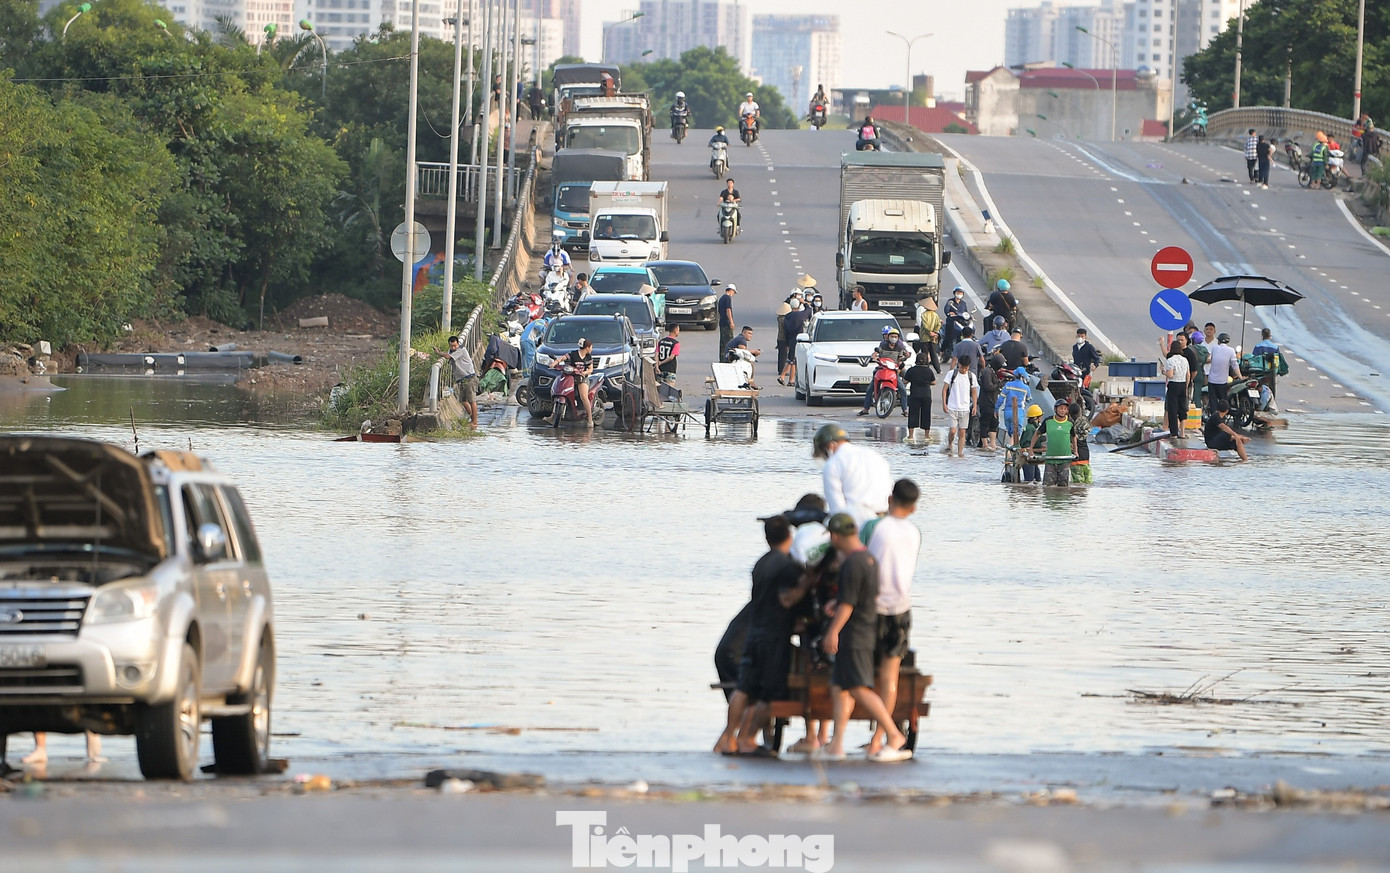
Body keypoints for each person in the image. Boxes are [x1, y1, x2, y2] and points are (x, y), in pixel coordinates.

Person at [813, 513, 911, 763]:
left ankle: (893, 734)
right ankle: (836, 744)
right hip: (863, 628)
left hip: (856, 633)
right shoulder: (869, 559)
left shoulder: (853, 563)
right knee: (839, 687)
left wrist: (832, 631)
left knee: (857, 687)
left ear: (835, 536)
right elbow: (863, 595)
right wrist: (839, 603)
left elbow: (848, 604)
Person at [715, 515, 806, 757]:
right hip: (773, 637)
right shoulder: (789, 566)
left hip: (753, 634)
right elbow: (787, 599)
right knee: (769, 693)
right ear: (790, 536)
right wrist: (807, 583)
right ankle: (746, 739)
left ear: (767, 538)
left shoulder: (760, 564)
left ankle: (727, 739)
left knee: (744, 688)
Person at [862, 479, 920, 758]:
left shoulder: (877, 528)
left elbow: (863, 563)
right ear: (914, 507)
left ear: (889, 499)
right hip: (901, 608)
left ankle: (882, 736)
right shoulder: (914, 532)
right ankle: (879, 739)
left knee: (859, 674)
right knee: (890, 677)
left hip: (873, 609)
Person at [812, 423, 892, 527]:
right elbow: (890, 491)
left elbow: (837, 511)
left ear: (830, 446)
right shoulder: (875, 455)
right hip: (883, 521)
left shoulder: (833, 464)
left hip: (856, 522)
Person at [858, 327, 910, 416]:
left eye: (895, 336)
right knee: (870, 389)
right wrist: (874, 357)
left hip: (893, 370)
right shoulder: (883, 345)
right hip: (881, 368)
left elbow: (900, 359)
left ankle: (905, 409)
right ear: (888, 337)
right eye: (892, 336)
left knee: (902, 389)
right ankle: (865, 409)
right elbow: (875, 354)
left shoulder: (900, 346)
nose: (893, 338)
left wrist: (900, 365)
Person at [1028, 401, 1076, 487]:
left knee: (1063, 488)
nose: (1063, 411)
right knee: (1048, 487)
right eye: (1061, 408)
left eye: (1065, 409)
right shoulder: (1048, 421)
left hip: (1064, 459)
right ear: (1055, 409)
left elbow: (1073, 437)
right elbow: (1037, 434)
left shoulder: (1070, 422)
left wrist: (1076, 450)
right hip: (1050, 459)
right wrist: (1030, 449)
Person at [941, 354, 978, 457]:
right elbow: (944, 389)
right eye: (962, 367)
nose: (964, 370)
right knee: (953, 431)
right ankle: (950, 444)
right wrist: (944, 403)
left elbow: (974, 392)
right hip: (952, 407)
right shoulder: (951, 374)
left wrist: (975, 406)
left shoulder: (971, 376)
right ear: (958, 365)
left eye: (966, 368)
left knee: (962, 432)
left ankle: (960, 453)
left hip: (965, 408)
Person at [553, 337, 595, 426]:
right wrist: (555, 363)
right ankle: (552, 415)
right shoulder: (573, 354)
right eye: (591, 347)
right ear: (587, 347)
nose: (591, 349)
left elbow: (591, 369)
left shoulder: (588, 357)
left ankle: (590, 419)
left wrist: (584, 372)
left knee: (584, 396)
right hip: (571, 376)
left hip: (582, 378)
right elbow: (563, 358)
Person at [439, 335, 479, 427]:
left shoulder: (461, 350)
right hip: (462, 379)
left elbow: (448, 357)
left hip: (469, 378)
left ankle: (475, 422)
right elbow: (448, 355)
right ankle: (472, 419)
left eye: (455, 346)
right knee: (463, 401)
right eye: (451, 346)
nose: (453, 348)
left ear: (458, 344)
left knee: (472, 400)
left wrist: (438, 353)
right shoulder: (451, 351)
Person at [1162, 336, 1191, 439]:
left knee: (1173, 409)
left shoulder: (1170, 360)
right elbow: (1188, 375)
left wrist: (1163, 372)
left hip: (1173, 385)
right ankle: (1182, 432)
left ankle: (1174, 433)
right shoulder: (1185, 360)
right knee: (1183, 409)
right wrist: (1186, 387)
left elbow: (1170, 375)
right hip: (1183, 384)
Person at [903, 352, 936, 441]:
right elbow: (934, 382)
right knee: (926, 414)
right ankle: (926, 436)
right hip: (926, 395)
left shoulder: (912, 370)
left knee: (913, 414)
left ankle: (910, 436)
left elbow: (905, 381)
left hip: (915, 394)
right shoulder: (928, 370)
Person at [1207, 331, 1240, 414]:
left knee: (1213, 401)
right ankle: (1222, 417)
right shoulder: (1231, 350)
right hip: (1222, 380)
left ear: (1219, 341)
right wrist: (1240, 376)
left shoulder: (1214, 348)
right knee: (1223, 400)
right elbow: (1234, 365)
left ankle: (1214, 417)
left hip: (1212, 379)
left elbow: (1212, 359)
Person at [780, 297, 810, 386]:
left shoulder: (787, 317)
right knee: (792, 360)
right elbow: (808, 310)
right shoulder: (799, 315)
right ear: (798, 306)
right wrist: (804, 302)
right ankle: (782, 376)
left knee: (793, 359)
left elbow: (785, 331)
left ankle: (791, 380)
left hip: (791, 339)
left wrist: (787, 343)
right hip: (799, 339)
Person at [976, 354, 1002, 450]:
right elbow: (988, 387)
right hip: (986, 402)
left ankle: (993, 444)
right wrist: (998, 384)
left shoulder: (992, 371)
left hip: (993, 402)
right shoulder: (987, 372)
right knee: (985, 423)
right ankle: (985, 445)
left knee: (994, 422)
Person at [1000, 366, 1031, 444]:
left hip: (1007, 412)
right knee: (1015, 434)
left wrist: (996, 409)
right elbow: (1029, 399)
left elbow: (1001, 399)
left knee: (1010, 433)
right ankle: (1010, 453)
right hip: (1019, 412)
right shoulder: (1026, 388)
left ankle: (1009, 451)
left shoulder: (1008, 385)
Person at [1018, 404, 1044, 483]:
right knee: (1029, 481)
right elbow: (1026, 444)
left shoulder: (1033, 427)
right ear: (1036, 417)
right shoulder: (1030, 428)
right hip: (1028, 458)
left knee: (1037, 480)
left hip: (1033, 458)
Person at [916, 296, 943, 371]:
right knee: (933, 353)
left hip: (924, 337)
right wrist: (934, 332)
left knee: (925, 353)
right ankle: (938, 369)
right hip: (934, 338)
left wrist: (929, 332)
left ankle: (926, 368)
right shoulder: (935, 315)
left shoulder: (924, 315)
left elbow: (924, 325)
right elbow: (938, 324)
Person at [1068, 401, 1092, 484]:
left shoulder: (1069, 424)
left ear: (1069, 413)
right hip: (1085, 455)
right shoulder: (1084, 423)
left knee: (1077, 483)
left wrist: (1075, 450)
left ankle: (1078, 496)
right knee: (1088, 481)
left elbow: (1071, 438)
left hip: (1075, 456)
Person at [943, 286, 971, 351]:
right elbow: (946, 310)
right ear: (955, 293)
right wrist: (950, 313)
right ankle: (942, 351)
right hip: (952, 321)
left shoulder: (963, 303)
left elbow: (965, 312)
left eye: (961, 293)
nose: (959, 294)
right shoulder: (950, 302)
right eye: (958, 293)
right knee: (948, 337)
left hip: (961, 321)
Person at [717, 284, 737, 352]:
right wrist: (731, 322)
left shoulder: (721, 298)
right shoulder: (727, 298)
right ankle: (728, 357)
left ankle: (722, 358)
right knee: (729, 341)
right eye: (734, 292)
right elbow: (728, 310)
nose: (733, 294)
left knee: (723, 341)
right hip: (726, 323)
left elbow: (719, 312)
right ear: (731, 290)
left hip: (722, 322)